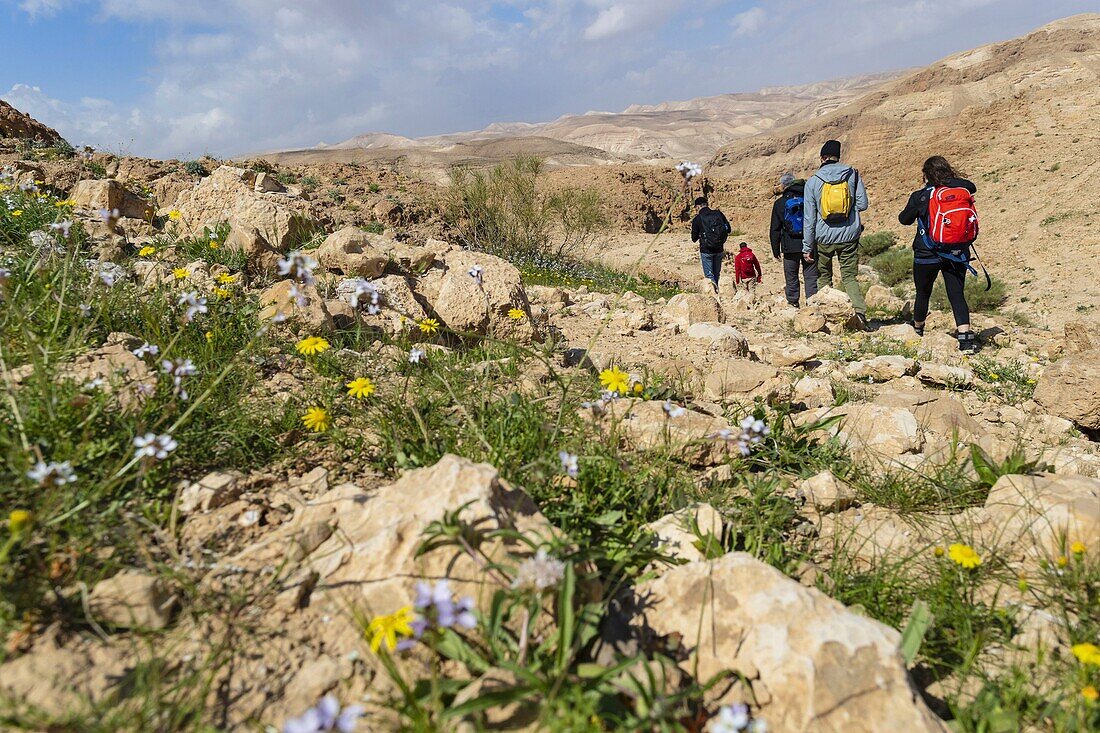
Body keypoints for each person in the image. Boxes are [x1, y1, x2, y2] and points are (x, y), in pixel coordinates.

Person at [898, 156, 978, 353]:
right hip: (956, 252)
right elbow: (971, 186)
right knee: (956, 294)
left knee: (923, 293)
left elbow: (904, 220)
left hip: (927, 254)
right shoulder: (962, 189)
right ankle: (965, 339)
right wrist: (951, 180)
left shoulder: (921, 196)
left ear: (926, 175)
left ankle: (917, 330)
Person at [802, 140, 869, 329]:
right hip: (849, 237)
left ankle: (826, 316)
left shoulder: (813, 181)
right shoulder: (852, 175)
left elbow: (809, 219)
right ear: (838, 156)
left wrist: (807, 247)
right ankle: (860, 316)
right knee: (849, 277)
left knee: (824, 277)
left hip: (823, 239)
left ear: (822, 158)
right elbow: (863, 205)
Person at [770, 171, 818, 307]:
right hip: (809, 243)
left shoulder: (780, 203)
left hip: (789, 246)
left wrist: (776, 249)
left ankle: (793, 303)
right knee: (810, 275)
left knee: (791, 276)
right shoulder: (809, 198)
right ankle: (813, 304)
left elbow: (775, 229)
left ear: (784, 186)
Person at [690, 196, 732, 291]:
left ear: (697, 207)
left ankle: (714, 294)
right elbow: (728, 229)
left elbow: (694, 238)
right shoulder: (718, 214)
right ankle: (718, 292)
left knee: (709, 276)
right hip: (719, 248)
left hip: (706, 250)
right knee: (717, 274)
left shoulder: (697, 219)